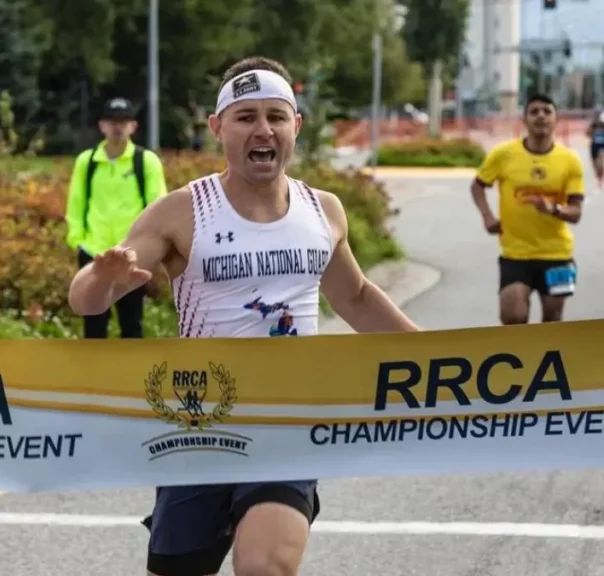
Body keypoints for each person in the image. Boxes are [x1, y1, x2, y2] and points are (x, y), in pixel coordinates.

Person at [67, 56, 418, 576]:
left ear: (296, 126)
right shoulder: (182, 212)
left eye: (276, 116)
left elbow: (358, 298)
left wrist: (441, 359)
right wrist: (104, 277)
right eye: (246, 116)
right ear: (218, 128)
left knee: (265, 567)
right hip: (198, 425)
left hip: (286, 421)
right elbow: (85, 301)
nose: (263, 129)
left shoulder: (323, 211)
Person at [471, 93, 584, 326]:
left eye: (546, 111)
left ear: (556, 119)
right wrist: (487, 217)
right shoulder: (503, 155)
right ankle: (523, 362)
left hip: (556, 255)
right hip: (516, 254)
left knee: (552, 322)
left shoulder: (570, 161)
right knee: (512, 317)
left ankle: (546, 361)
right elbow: (478, 186)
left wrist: (552, 209)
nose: (540, 116)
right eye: (534, 112)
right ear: (524, 120)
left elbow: (576, 212)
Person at [65, 97, 168, 339]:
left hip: (131, 256)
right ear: (102, 126)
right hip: (94, 254)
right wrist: (77, 241)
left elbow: (158, 207)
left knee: (132, 325)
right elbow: (76, 204)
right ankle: (93, 377)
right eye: (112, 121)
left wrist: (149, 249)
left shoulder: (145, 161)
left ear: (133, 126)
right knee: (93, 326)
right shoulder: (87, 162)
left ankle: (131, 377)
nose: (117, 127)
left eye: (123, 121)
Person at [585, 108, 604, 190]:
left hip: (602, 145)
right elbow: (587, 134)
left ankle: (601, 177)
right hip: (595, 145)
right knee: (595, 165)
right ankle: (598, 177)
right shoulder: (594, 124)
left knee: (601, 163)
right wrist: (591, 132)